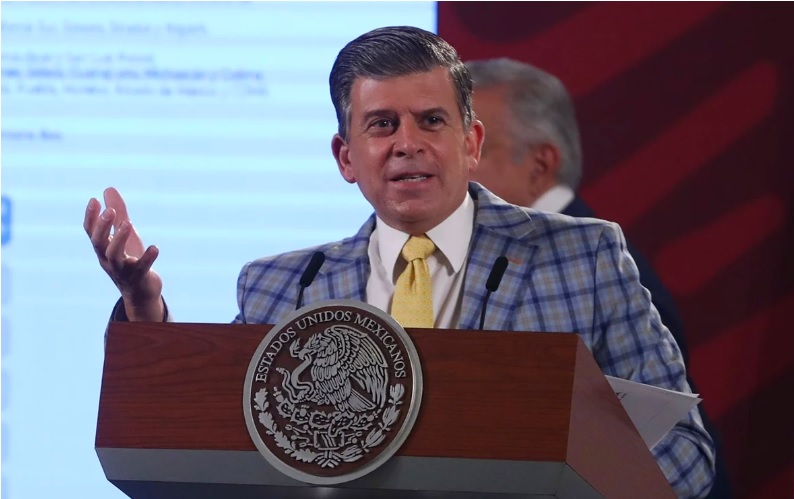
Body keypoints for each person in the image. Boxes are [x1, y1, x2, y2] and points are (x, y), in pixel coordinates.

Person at [83, 27, 715, 497]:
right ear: (345, 157)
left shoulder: (583, 257)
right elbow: (202, 450)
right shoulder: (280, 286)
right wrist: (144, 310)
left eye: (431, 121)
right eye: (382, 125)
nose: (407, 144)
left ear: (470, 142)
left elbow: (686, 456)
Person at [466, 57, 730, 498]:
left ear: (540, 165)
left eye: (474, 147)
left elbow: (661, 446)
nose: (451, 167)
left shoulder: (598, 269)